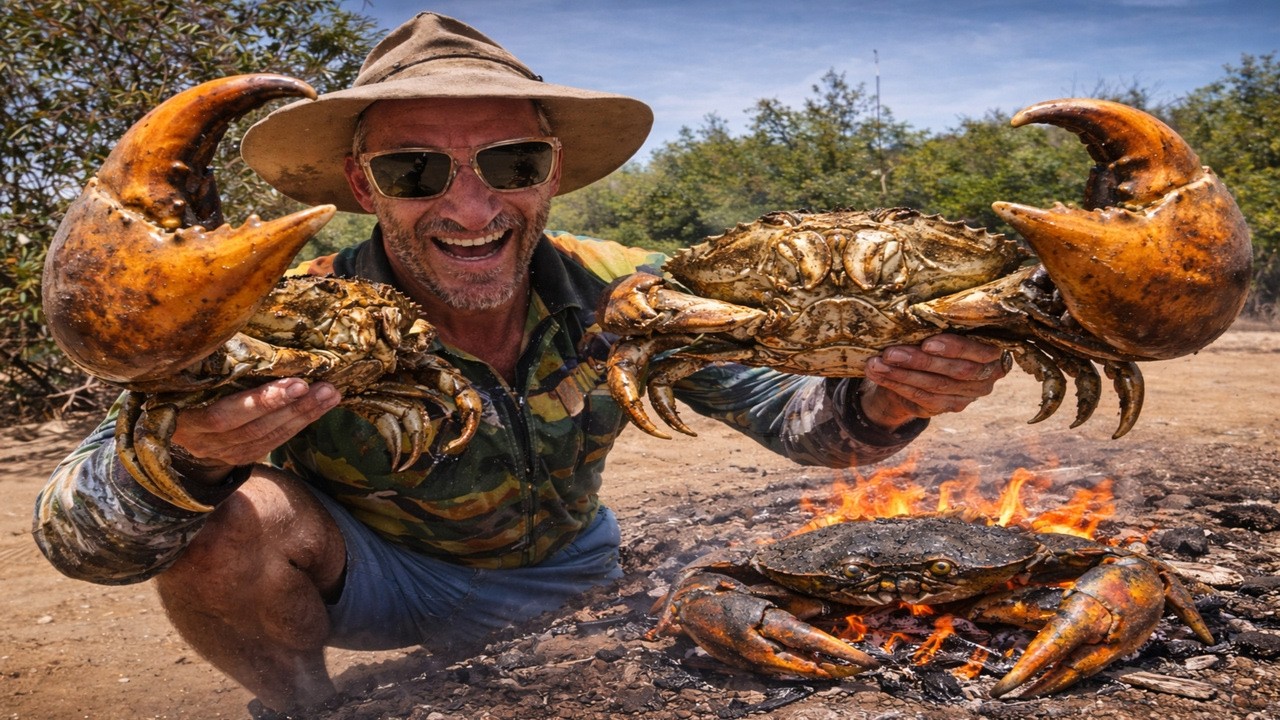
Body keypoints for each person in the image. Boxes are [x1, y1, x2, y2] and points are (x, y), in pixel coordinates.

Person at [34, 13, 1009, 717]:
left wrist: (879, 401)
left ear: (548, 174)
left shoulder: (629, 293)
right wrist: (189, 458)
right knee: (225, 523)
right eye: (415, 171)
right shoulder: (292, 315)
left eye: (507, 164)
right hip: (376, 579)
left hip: (571, 571)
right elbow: (81, 539)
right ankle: (305, 711)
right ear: (360, 187)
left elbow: (800, 421)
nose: (470, 208)